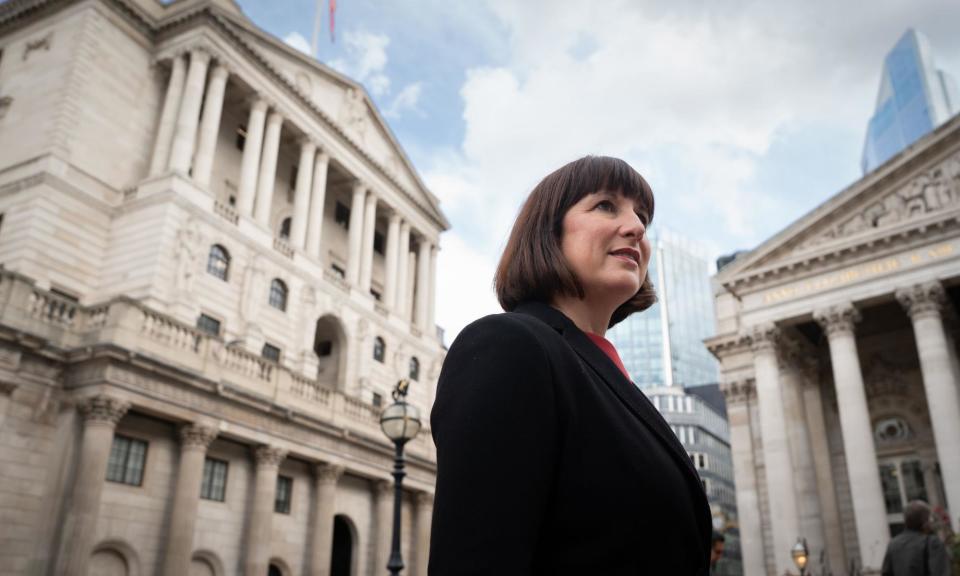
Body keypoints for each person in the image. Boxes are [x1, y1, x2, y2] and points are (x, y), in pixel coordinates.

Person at [428, 156, 712, 575]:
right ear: (548, 231)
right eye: (605, 205)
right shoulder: (509, 345)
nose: (636, 227)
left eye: (643, 216)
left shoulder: (614, 380)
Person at [882, 500, 952, 576]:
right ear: (924, 522)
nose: (931, 522)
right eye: (929, 518)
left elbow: (886, 573)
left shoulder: (893, 544)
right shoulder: (932, 543)